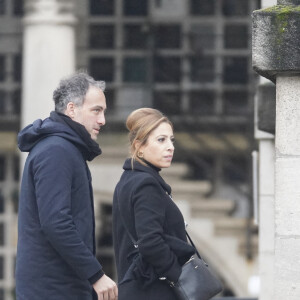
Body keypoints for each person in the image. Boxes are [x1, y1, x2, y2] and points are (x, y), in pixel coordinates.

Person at [16, 72, 118, 300]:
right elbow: (56, 222)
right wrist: (96, 275)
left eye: (103, 112)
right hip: (53, 290)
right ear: (72, 109)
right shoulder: (57, 151)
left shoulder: (64, 148)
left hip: (60, 288)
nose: (103, 120)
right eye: (96, 110)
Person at [112, 108, 195, 299]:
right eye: (161, 140)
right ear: (139, 146)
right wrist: (179, 277)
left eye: (171, 140)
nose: (170, 146)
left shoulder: (127, 180)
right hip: (153, 290)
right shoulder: (146, 184)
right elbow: (150, 242)